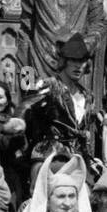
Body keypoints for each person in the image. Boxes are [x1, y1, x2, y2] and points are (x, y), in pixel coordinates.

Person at [20, 34, 101, 168]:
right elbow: (26, 104)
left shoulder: (87, 95)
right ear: (64, 61)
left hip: (78, 158)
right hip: (51, 156)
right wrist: (18, 120)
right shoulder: (50, 85)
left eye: (82, 61)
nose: (78, 66)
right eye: (73, 60)